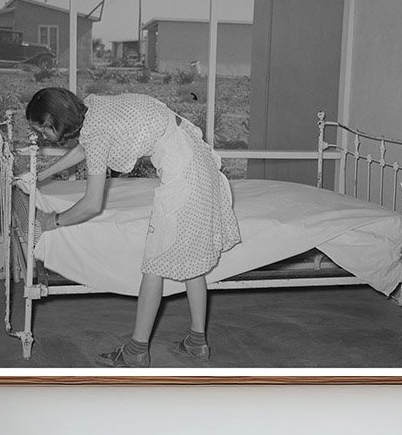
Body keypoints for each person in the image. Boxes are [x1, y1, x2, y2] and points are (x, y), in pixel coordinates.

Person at [22, 86, 241, 368]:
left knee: (153, 264)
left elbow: (92, 204)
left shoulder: (96, 132)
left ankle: (136, 351)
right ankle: (197, 343)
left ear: (56, 119)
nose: (42, 135)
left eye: (43, 128)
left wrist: (53, 220)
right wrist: (42, 175)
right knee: (193, 261)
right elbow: (85, 147)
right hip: (197, 161)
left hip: (185, 174)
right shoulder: (95, 109)